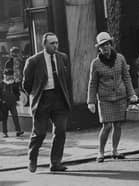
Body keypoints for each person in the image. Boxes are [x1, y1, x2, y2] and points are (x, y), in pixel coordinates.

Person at [23, 32, 72, 172]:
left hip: (59, 99)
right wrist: (36, 94)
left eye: (57, 42)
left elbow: (66, 78)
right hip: (43, 99)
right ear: (44, 44)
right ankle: (32, 159)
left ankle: (55, 162)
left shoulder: (63, 57)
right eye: (52, 43)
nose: (55, 46)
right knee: (40, 133)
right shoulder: (33, 61)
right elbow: (26, 83)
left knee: (61, 131)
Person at [87, 32, 137, 163]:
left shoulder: (120, 58)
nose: (106, 47)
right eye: (102, 45)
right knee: (107, 126)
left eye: (107, 44)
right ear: (99, 48)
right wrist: (91, 101)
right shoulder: (96, 63)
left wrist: (132, 94)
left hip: (120, 96)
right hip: (105, 99)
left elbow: (126, 77)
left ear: (111, 44)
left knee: (118, 125)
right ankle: (101, 152)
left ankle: (115, 150)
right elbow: (92, 83)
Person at [0, 69, 24, 138]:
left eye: (10, 75)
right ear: (5, 76)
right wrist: (2, 101)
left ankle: (18, 131)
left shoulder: (14, 83)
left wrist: (16, 99)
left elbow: (17, 93)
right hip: (4, 104)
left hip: (12, 103)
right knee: (5, 118)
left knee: (15, 116)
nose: (9, 77)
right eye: (7, 75)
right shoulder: (1, 84)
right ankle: (5, 132)